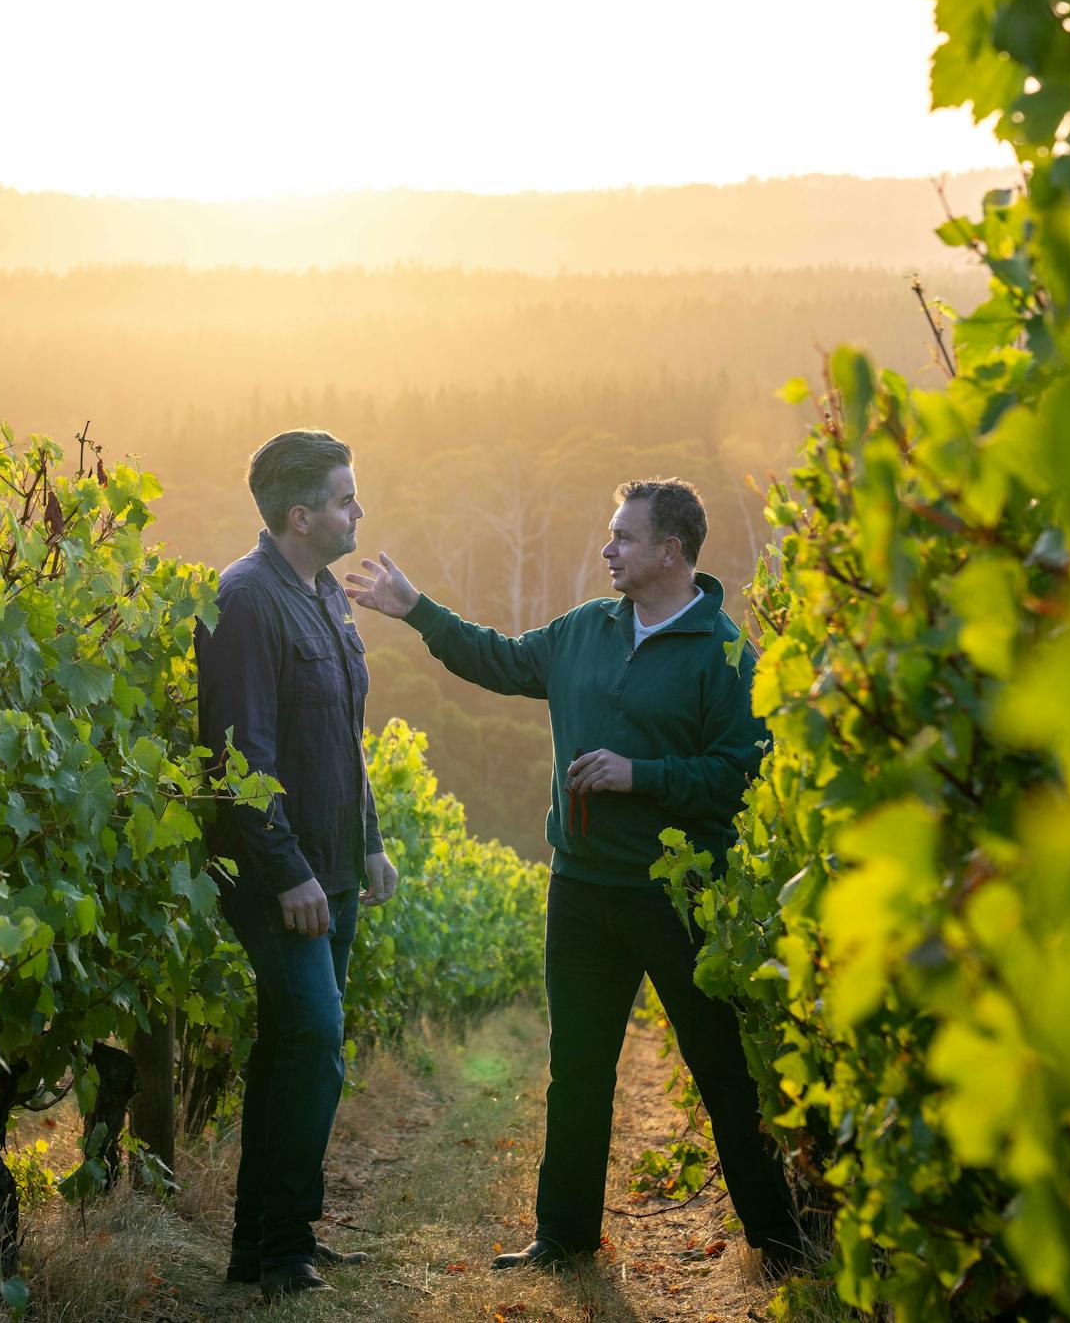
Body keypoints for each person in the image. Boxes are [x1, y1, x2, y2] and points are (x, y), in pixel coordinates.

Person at [345, 477, 810, 1276]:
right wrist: (417, 609)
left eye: (623, 538)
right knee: (579, 1069)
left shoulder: (728, 654)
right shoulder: (583, 629)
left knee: (723, 1071)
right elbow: (498, 659)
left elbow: (741, 775)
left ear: (671, 552)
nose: (608, 549)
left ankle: (779, 1245)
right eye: (610, 535)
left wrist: (643, 775)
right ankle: (562, 1239)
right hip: (583, 888)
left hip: (682, 896)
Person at [197, 430, 400, 1300]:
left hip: (336, 865)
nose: (359, 511)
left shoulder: (325, 595)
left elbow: (342, 738)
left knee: (297, 1048)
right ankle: (276, 1246)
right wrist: (287, 873)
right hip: (282, 876)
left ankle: (276, 1244)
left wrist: (374, 839)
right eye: (347, 498)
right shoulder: (245, 600)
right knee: (314, 1041)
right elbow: (237, 758)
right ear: (300, 514)